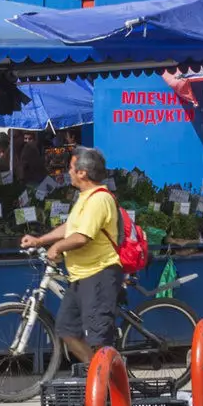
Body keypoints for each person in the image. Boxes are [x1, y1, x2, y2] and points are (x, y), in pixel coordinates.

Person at [21, 146, 124, 367]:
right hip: (79, 277)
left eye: (70, 168)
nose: (67, 172)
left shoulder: (99, 199)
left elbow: (81, 237)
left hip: (98, 275)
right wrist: (40, 241)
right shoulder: (84, 197)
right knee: (66, 330)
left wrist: (57, 248)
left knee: (98, 339)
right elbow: (71, 227)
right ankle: (98, 375)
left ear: (82, 173)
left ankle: (109, 385)